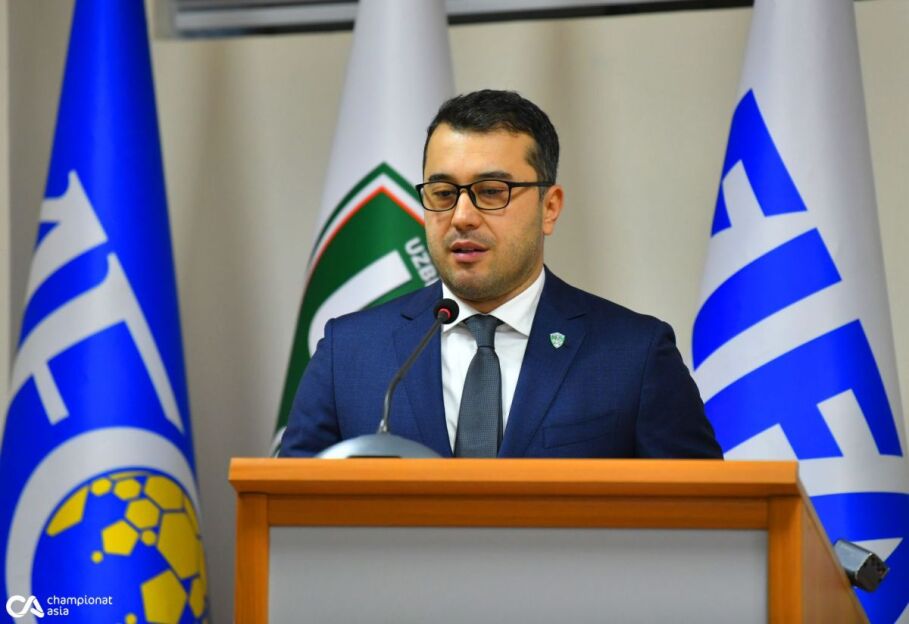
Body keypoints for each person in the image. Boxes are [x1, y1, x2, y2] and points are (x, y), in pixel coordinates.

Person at [280, 89, 722, 459]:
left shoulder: (633, 356)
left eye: (492, 192)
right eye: (443, 193)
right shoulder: (349, 354)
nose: (462, 216)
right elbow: (287, 513)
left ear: (550, 208)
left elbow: (702, 516)